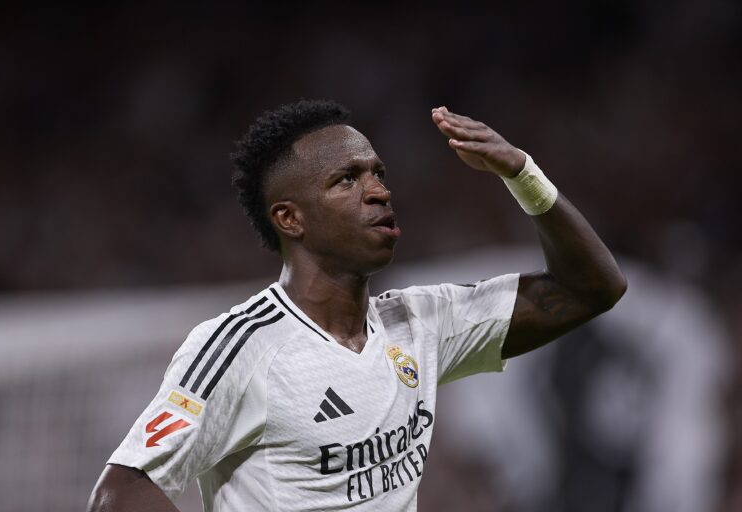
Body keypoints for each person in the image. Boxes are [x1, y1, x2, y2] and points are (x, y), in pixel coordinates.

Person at [87, 99, 627, 511]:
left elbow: (591, 289)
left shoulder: (421, 323)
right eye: (347, 179)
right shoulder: (242, 347)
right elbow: (119, 494)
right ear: (289, 218)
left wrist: (521, 173)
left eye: (378, 174)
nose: (378, 191)